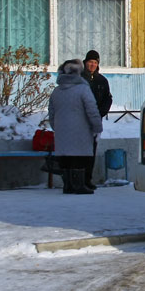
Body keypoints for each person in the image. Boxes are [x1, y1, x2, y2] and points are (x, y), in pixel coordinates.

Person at [48, 59, 103, 195]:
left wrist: (56, 127)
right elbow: (92, 110)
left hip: (62, 131)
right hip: (81, 131)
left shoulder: (56, 91)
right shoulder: (83, 89)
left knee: (66, 158)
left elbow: (51, 112)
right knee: (80, 158)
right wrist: (97, 127)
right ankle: (79, 185)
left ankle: (68, 185)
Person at [81, 49, 112, 189]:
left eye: (95, 62)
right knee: (78, 152)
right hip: (80, 121)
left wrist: (100, 113)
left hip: (94, 122)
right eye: (90, 62)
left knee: (91, 152)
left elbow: (108, 99)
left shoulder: (102, 81)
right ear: (85, 62)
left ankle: (88, 179)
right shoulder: (79, 79)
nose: (92, 65)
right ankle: (78, 180)